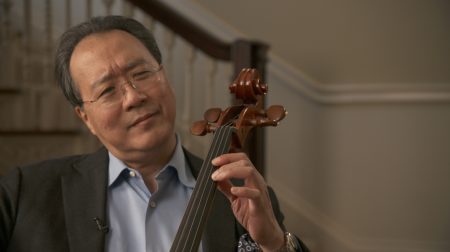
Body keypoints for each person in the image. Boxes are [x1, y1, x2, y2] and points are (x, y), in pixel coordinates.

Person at [0, 16, 308, 252]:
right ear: (85, 118)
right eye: (107, 90)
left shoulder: (243, 194)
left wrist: (276, 244)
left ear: (165, 77)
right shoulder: (23, 192)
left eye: (142, 74)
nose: (134, 97)